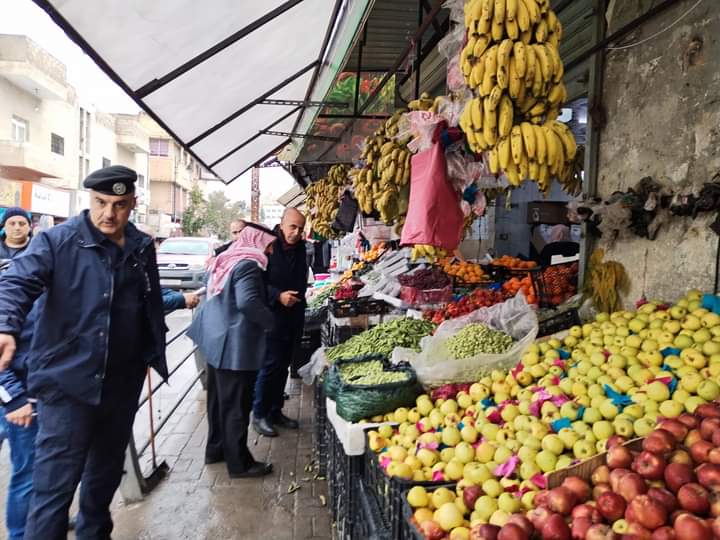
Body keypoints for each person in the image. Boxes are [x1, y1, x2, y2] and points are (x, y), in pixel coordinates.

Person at [0, 165, 168, 539]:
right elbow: (16, 282)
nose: (109, 213)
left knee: (102, 484)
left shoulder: (141, 247)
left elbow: (147, 303)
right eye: (100, 202)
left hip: (120, 388)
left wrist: (148, 353)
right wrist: (5, 326)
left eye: (119, 205)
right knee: (52, 493)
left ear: (133, 204)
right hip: (66, 388)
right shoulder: (56, 241)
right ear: (89, 199)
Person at [187, 223, 277, 478]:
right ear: (257, 240)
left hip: (214, 339)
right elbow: (248, 302)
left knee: (218, 402)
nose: (270, 251)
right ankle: (239, 464)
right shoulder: (248, 264)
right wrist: (270, 322)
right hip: (234, 346)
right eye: (269, 245)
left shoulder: (227, 258)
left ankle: (215, 450)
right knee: (236, 405)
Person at [253, 208, 308, 438]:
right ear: (282, 224)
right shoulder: (268, 246)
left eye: (300, 228)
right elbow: (256, 283)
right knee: (269, 366)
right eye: (292, 227)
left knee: (283, 365)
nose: (296, 232)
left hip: (294, 315)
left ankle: (275, 411)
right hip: (272, 316)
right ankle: (259, 414)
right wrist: (278, 296)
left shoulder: (301, 248)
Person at [0, 207, 37, 540]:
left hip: (32, 391)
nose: (16, 228)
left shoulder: (38, 264)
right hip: (15, 393)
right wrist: (13, 399)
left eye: (21, 223)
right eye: (11, 223)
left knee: (33, 468)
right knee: (26, 471)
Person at [135, 224, 200, 312]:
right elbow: (142, 303)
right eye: (150, 242)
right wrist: (181, 299)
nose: (156, 246)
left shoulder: (140, 264)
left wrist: (182, 297)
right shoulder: (125, 268)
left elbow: (155, 290)